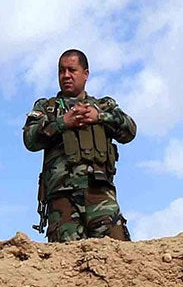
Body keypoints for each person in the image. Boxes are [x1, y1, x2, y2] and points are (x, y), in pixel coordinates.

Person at [22, 49, 136, 244]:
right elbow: (30, 140)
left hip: (100, 193)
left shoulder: (103, 105)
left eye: (72, 70)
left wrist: (99, 117)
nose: (66, 75)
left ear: (85, 74)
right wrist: (61, 123)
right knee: (66, 262)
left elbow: (130, 131)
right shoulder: (47, 108)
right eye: (61, 71)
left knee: (119, 253)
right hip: (62, 198)